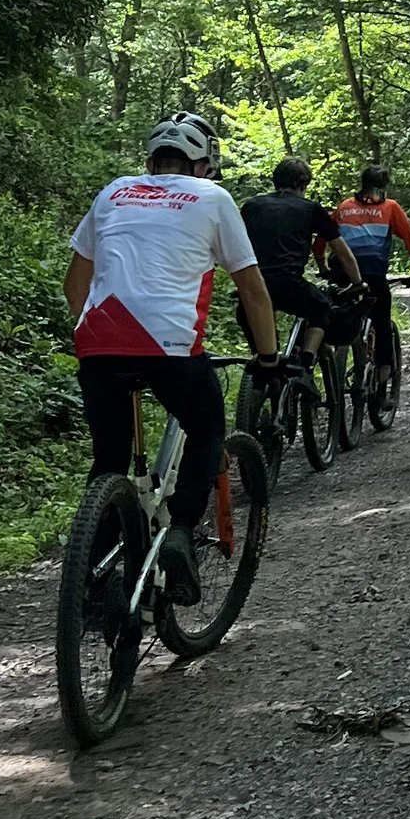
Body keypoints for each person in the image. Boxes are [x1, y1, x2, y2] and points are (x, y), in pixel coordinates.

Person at [66, 113, 276, 602]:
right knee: (206, 428)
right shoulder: (213, 198)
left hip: (98, 341)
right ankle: (181, 528)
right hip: (171, 346)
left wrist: (94, 337)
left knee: (109, 459)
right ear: (204, 166)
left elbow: (75, 283)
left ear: (149, 162)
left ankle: (92, 584)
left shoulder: (114, 190)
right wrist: (267, 357)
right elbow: (252, 288)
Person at [238, 156, 366, 371]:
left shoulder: (252, 206)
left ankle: (266, 368)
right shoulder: (310, 208)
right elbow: (343, 254)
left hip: (252, 286)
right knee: (322, 308)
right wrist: (357, 282)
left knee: (261, 344)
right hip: (289, 285)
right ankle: (305, 365)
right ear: (304, 184)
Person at [334, 163, 410, 293]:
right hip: (373, 268)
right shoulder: (390, 206)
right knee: (381, 307)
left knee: (337, 306)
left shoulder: (344, 206)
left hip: (341, 267)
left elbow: (325, 235)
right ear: (385, 186)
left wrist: (322, 264)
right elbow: (409, 238)